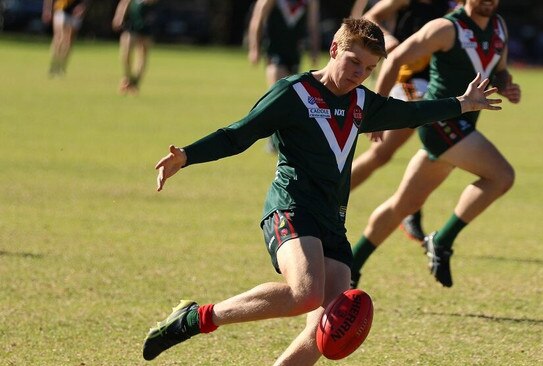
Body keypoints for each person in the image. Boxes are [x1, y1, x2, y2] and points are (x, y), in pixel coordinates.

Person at [142, 18, 501, 364]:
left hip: (332, 221)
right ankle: (196, 318)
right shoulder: (293, 93)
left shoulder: (362, 103)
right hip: (292, 207)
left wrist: (462, 104)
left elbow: (411, 112)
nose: (358, 74)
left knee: (325, 326)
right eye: (353, 62)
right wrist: (187, 156)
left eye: (368, 69)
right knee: (306, 293)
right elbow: (238, 134)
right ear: (333, 49)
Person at [350, 0, 521, 289]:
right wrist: (375, 111)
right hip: (442, 122)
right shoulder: (446, 28)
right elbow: (395, 58)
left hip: (463, 124)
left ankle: (351, 266)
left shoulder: (499, 27)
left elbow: (498, 70)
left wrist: (506, 85)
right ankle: (442, 241)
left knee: (404, 205)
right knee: (502, 176)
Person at [350, 0, 456, 243]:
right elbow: (370, 17)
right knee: (382, 153)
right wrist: (386, 39)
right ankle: (329, 198)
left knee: (440, 148)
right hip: (410, 80)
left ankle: (409, 208)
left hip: (440, 84)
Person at [247, 0, 320, 153]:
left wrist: (314, 49)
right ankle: (273, 140)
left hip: (294, 54)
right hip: (275, 52)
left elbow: (312, 25)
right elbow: (257, 18)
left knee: (291, 97)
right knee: (277, 94)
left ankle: (285, 137)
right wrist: (254, 48)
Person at [112, 0, 159, 94]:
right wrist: (119, 16)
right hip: (132, 25)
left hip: (145, 25)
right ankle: (127, 78)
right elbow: (124, 2)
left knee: (142, 55)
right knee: (126, 53)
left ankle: (135, 82)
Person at [42, 0, 90, 77]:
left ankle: (62, 66)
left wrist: (83, 6)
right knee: (59, 37)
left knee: (68, 41)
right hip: (61, 9)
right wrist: (47, 9)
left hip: (75, 12)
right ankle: (54, 63)